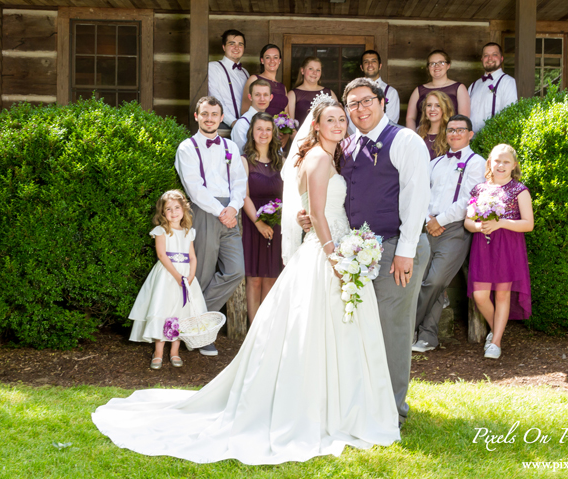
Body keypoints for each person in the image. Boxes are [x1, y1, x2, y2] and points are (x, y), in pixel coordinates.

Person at [92, 97, 400, 465]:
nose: (338, 125)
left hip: (334, 247)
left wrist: (330, 238)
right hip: (328, 255)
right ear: (316, 126)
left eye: (341, 120)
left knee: (330, 328)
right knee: (323, 327)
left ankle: (341, 403)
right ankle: (329, 406)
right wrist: (335, 255)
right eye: (330, 120)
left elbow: (311, 210)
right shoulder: (319, 158)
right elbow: (317, 212)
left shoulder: (328, 158)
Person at [297, 78, 431, 427]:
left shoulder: (404, 141)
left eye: (367, 101)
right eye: (352, 104)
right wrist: (310, 215)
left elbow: (417, 198)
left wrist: (406, 251)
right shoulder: (348, 144)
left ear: (382, 102)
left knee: (393, 330)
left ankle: (393, 409)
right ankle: (364, 402)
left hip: (396, 249)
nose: (360, 109)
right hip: (356, 251)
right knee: (362, 328)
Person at [174, 96, 247, 357]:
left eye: (214, 114)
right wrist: (220, 211)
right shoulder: (187, 147)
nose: (209, 119)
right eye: (204, 114)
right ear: (196, 116)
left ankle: (194, 321)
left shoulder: (230, 146)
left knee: (236, 270)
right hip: (205, 211)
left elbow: (240, 181)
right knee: (202, 273)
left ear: (220, 117)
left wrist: (234, 208)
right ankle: (201, 335)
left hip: (230, 211)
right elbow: (194, 188)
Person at [413, 115, 485, 353]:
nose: (454, 134)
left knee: (435, 281)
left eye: (460, 130)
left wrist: (440, 220)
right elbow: (421, 193)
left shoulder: (477, 163)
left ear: (470, 134)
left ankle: (405, 327)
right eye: (450, 130)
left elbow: (469, 199)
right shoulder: (435, 163)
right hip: (427, 227)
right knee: (426, 282)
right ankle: (427, 337)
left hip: (454, 229)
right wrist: (428, 220)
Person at [464, 144, 534, 359]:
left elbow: (528, 224)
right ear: (489, 163)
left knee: (502, 294)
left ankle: (495, 342)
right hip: (483, 247)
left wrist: (501, 223)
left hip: (508, 247)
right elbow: (468, 221)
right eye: (497, 161)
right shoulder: (479, 190)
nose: (501, 165)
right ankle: (497, 329)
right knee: (480, 296)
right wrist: (479, 227)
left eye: (506, 161)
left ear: (514, 165)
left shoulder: (519, 190)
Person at [128, 190, 208, 369]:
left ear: (184, 209)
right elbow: (162, 255)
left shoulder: (189, 232)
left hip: (186, 277)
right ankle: (158, 353)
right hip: (167, 275)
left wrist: (191, 275)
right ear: (163, 213)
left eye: (177, 207)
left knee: (181, 311)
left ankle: (174, 352)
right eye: (168, 209)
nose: (173, 212)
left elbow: (193, 257)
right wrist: (177, 276)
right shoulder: (161, 230)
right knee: (163, 309)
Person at [240, 112, 284, 324]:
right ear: (252, 132)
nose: (263, 133)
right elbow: (244, 195)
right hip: (253, 223)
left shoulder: (281, 162)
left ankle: (265, 329)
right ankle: (253, 333)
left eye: (268, 129)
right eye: (259, 129)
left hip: (276, 225)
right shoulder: (244, 161)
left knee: (271, 278)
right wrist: (258, 224)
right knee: (255, 279)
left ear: (273, 132)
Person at [406, 50, 470, 131]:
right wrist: (413, 137)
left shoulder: (459, 88)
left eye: (441, 62)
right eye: (432, 63)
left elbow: (463, 118)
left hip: (449, 137)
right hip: (422, 137)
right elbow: (410, 118)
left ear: (448, 65)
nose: (436, 66)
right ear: (428, 67)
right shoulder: (418, 90)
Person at [468, 43, 518, 133]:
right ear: (482, 59)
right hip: (470, 142)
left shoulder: (507, 82)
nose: (490, 58)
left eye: (494, 55)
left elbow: (509, 114)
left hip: (492, 142)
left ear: (501, 58)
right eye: (486, 55)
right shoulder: (473, 85)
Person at [208, 29, 249, 130]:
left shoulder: (245, 73)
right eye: (232, 43)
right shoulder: (213, 67)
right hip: (223, 127)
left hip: (245, 129)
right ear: (224, 47)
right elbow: (215, 99)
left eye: (240, 44)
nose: (236, 47)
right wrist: (233, 122)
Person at [286, 56, 339, 128]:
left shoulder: (329, 93)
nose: (314, 73)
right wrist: (299, 139)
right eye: (311, 69)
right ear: (302, 71)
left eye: (318, 70)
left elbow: (338, 118)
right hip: (301, 138)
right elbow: (290, 126)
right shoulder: (292, 94)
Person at [241, 44, 289, 117]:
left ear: (279, 61)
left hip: (279, 128)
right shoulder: (254, 79)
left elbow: (287, 116)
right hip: (262, 127)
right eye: (268, 57)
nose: (272, 61)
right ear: (262, 60)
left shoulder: (283, 87)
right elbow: (244, 111)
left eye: (275, 57)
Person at [231, 79, 272, 154]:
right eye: (257, 95)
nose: (262, 99)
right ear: (250, 97)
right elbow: (243, 156)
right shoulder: (242, 125)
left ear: (271, 97)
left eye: (265, 95)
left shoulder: (271, 123)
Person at [416, 91, 454, 160]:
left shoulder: (451, 134)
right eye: (429, 105)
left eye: (438, 105)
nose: (432, 109)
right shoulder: (419, 132)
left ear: (445, 109)